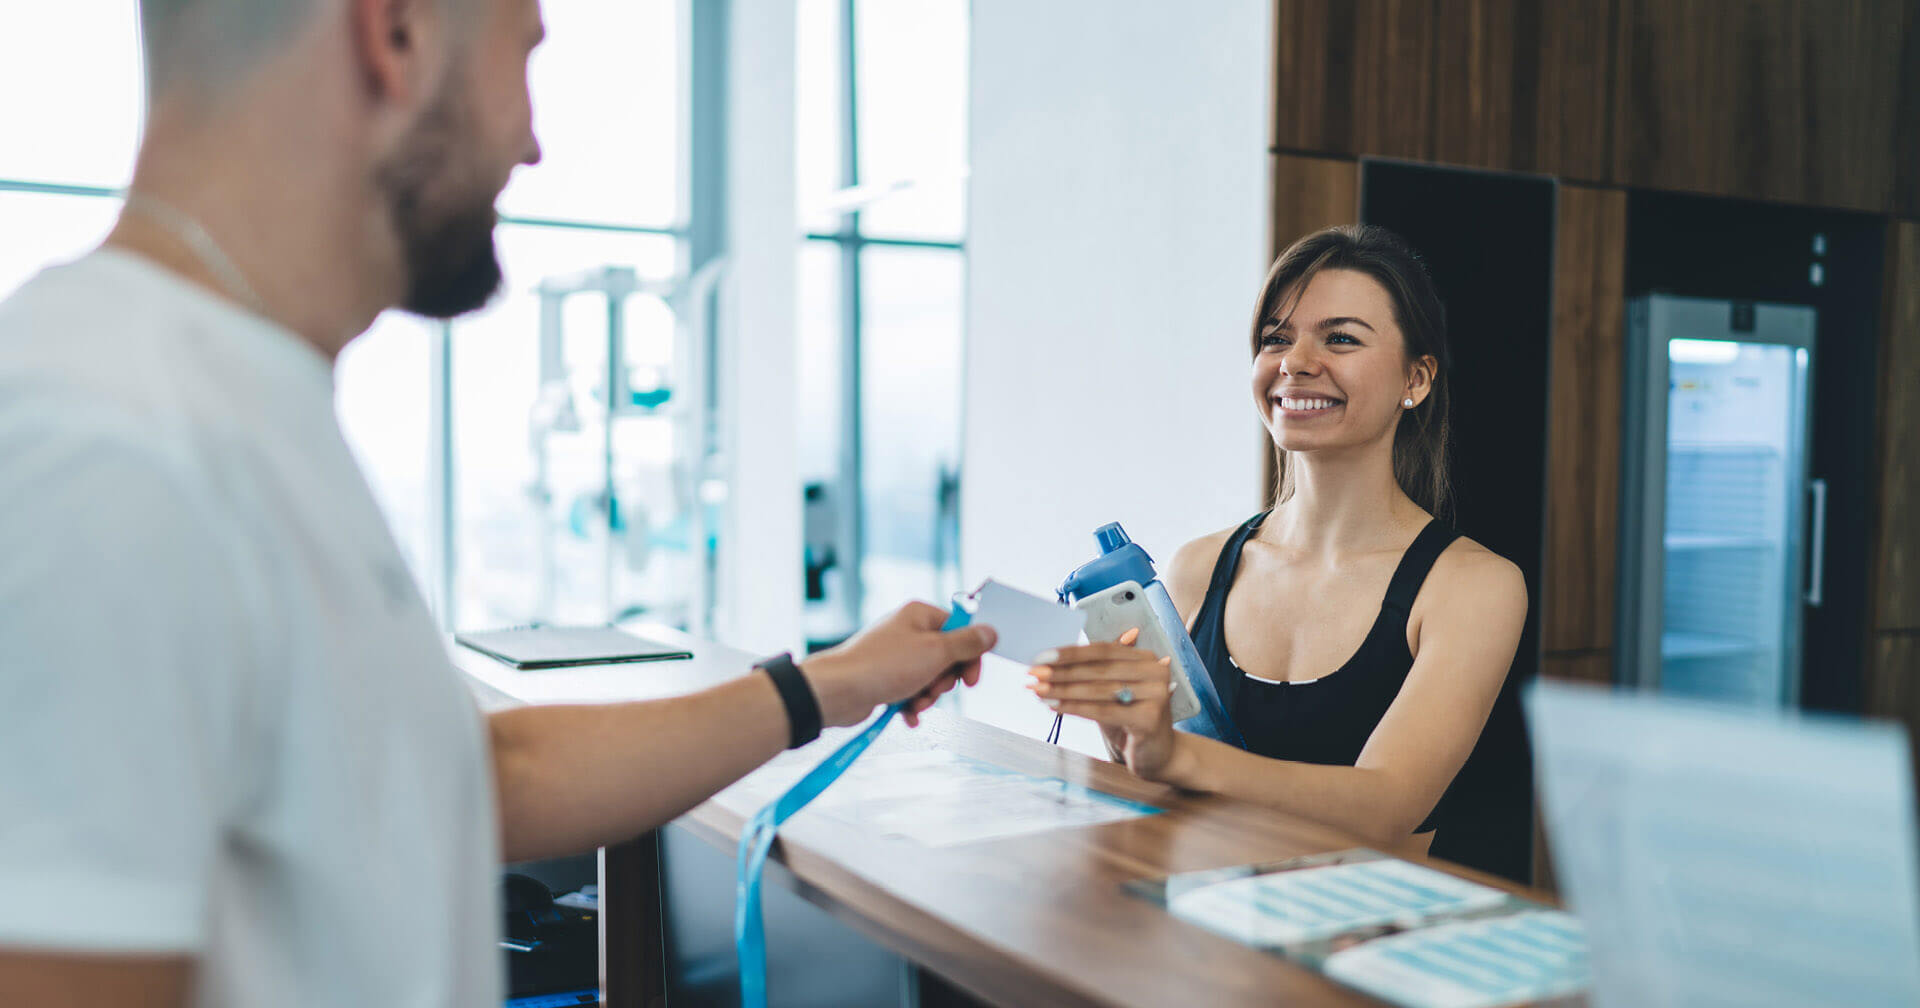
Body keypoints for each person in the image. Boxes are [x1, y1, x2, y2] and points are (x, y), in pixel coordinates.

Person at [0, 1, 995, 1004]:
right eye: (522, 58)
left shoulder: (237, 405)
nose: (531, 142)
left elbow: (465, 781)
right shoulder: (104, 452)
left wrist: (827, 685)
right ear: (395, 37)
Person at [1028, 224, 1529, 866]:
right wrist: (1123, 723)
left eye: (1340, 338)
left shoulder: (1472, 587)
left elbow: (1385, 807)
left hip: (1362, 945)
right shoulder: (1197, 568)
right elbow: (1157, 785)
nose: (1295, 362)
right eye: (1276, 339)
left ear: (1418, 378)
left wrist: (1180, 753)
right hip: (1202, 926)